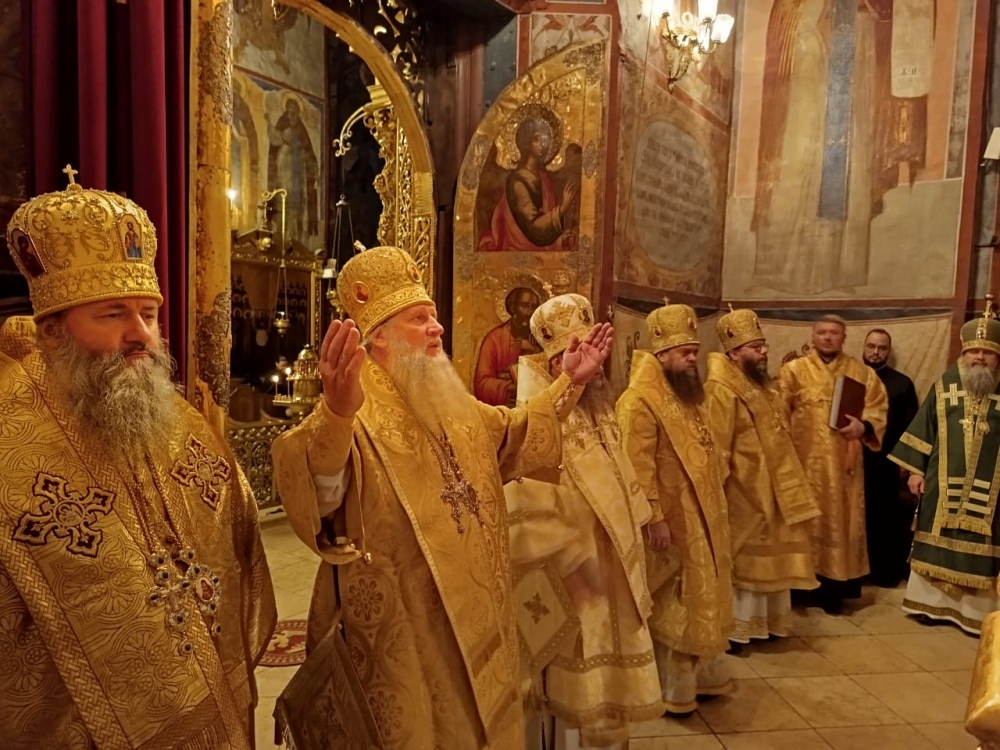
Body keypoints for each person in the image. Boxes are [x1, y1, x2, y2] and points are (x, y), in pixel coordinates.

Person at [271, 245, 613, 749]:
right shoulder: (356, 411)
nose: (437, 329)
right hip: (408, 631)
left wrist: (570, 381)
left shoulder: (449, 401)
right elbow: (322, 500)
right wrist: (336, 414)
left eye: (433, 316)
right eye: (419, 319)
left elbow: (515, 432)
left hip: (479, 616)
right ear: (378, 336)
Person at [0, 172, 276, 749]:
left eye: (149, 314)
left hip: (211, 699)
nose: (142, 335)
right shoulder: (10, 441)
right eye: (113, 315)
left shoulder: (180, 421)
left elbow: (238, 536)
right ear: (52, 332)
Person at [505, 293, 661, 749]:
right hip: (571, 573)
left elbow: (622, 476)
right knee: (572, 672)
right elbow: (526, 507)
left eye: (594, 352)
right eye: (576, 355)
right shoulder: (534, 420)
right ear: (554, 362)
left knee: (610, 669)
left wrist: (643, 521)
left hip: (613, 566)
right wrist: (567, 563)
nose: (593, 367)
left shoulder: (601, 409)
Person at [616, 303, 733, 716]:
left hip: (703, 515)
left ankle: (704, 677)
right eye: (685, 352)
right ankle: (672, 687)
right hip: (670, 521)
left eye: (694, 351)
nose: (692, 359)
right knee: (674, 603)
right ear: (662, 353)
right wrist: (654, 517)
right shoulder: (638, 401)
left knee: (702, 597)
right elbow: (635, 466)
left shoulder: (686, 393)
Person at [704, 307, 819, 645]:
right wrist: (719, 494)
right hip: (744, 492)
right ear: (734, 353)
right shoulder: (721, 389)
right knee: (745, 566)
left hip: (774, 490)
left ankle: (766, 624)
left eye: (763, 345)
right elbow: (718, 447)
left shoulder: (762, 386)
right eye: (756, 348)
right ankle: (738, 630)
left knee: (773, 562)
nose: (764, 351)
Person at [889, 305, 1000, 634]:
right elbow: (924, 427)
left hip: (990, 490)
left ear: (997, 357)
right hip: (941, 484)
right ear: (964, 354)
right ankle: (928, 605)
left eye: (987, 352)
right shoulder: (945, 386)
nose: (979, 357)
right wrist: (915, 471)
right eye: (973, 351)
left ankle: (974, 613)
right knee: (935, 535)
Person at [779, 315, 888, 614]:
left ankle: (833, 590)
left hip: (843, 467)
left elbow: (878, 408)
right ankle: (798, 588)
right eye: (822, 332)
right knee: (801, 524)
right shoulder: (793, 371)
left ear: (844, 337)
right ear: (813, 336)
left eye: (834, 333)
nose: (828, 337)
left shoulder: (861, 373)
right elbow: (778, 413)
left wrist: (864, 427)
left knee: (839, 523)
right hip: (802, 463)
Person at [861, 328, 920, 587]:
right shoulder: (849, 377)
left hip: (885, 464)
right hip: (850, 462)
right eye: (871, 346)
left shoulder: (901, 383)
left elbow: (910, 426)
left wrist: (906, 463)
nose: (875, 352)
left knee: (883, 520)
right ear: (864, 347)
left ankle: (881, 573)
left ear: (888, 351)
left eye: (882, 348)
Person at [478, 116, 579, 252]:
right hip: (515, 250)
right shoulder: (517, 182)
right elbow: (534, 227)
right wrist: (562, 208)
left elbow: (546, 237)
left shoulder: (544, 179)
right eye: (536, 139)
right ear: (526, 143)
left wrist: (562, 240)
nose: (542, 144)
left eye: (545, 140)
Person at [473, 286, 542, 406]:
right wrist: (510, 388)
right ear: (513, 308)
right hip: (503, 407)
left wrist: (533, 349)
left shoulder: (541, 338)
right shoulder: (494, 339)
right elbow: (482, 382)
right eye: (524, 306)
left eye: (533, 307)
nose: (529, 312)